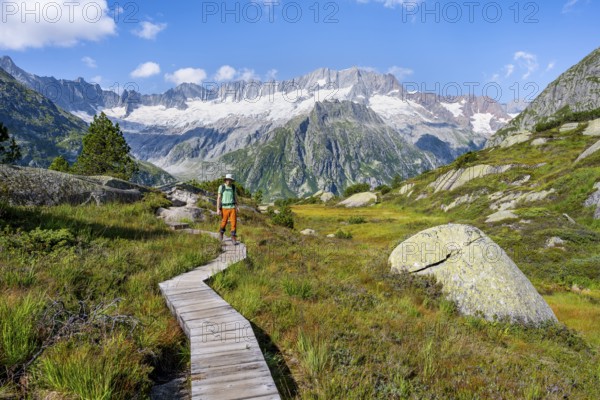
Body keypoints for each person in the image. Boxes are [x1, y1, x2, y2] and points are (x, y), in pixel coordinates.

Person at [217, 174, 239, 244]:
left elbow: (235, 196)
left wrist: (237, 206)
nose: (229, 181)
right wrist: (218, 209)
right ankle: (221, 233)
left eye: (230, 180)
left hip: (232, 207)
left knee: (234, 222)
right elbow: (219, 198)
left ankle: (233, 237)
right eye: (228, 180)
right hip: (224, 207)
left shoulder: (233, 187)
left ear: (231, 180)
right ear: (225, 180)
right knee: (224, 222)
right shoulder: (221, 187)